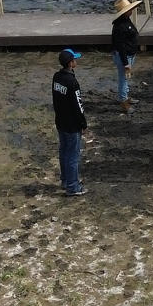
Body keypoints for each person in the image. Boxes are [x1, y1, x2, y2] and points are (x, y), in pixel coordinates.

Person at [51, 49, 88, 196]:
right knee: (73, 155)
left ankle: (65, 180)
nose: (76, 61)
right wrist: (83, 124)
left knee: (64, 152)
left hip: (60, 121)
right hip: (72, 125)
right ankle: (73, 187)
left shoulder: (56, 77)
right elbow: (78, 106)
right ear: (70, 63)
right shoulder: (72, 82)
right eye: (75, 59)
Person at [109, 0, 140, 113]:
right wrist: (126, 63)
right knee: (123, 78)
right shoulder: (119, 27)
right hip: (124, 56)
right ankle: (123, 102)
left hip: (130, 54)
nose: (131, 11)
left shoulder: (125, 20)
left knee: (126, 78)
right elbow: (120, 46)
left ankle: (126, 96)